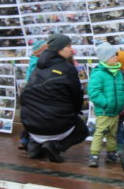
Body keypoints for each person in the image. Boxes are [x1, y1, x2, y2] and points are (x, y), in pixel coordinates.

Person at [20, 34, 88, 162]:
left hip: (30, 123)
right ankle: (55, 146)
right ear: (59, 48)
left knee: (45, 113)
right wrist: (75, 111)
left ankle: (34, 146)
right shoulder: (67, 68)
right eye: (68, 46)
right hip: (52, 123)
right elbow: (76, 95)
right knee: (82, 130)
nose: (71, 49)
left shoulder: (39, 66)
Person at [86, 42, 124, 167]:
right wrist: (106, 103)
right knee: (100, 132)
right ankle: (94, 155)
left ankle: (111, 153)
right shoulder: (99, 73)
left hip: (115, 110)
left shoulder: (118, 73)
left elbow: (123, 88)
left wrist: (123, 99)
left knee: (112, 134)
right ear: (106, 58)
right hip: (104, 111)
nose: (116, 57)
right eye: (113, 55)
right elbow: (94, 92)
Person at [17, 39, 48, 151]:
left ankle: (25, 140)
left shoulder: (33, 60)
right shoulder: (38, 62)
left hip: (29, 91)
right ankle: (28, 140)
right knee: (35, 118)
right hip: (34, 92)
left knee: (30, 118)